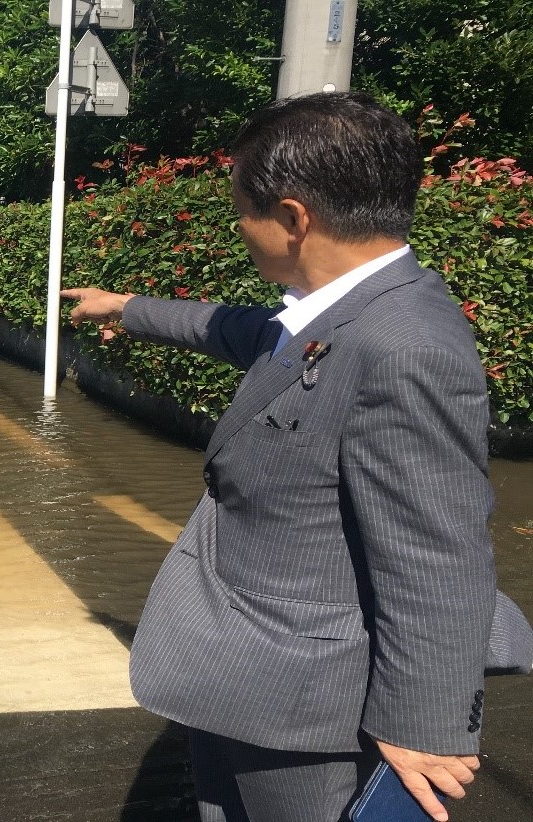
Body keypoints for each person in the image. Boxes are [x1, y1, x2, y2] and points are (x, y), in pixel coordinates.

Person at [63, 92, 514, 822]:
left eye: (242, 208)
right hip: (246, 675)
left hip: (308, 713)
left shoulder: (406, 347)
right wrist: (127, 306)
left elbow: (440, 553)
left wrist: (425, 726)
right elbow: (248, 331)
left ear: (294, 218)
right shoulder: (342, 307)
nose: (239, 228)